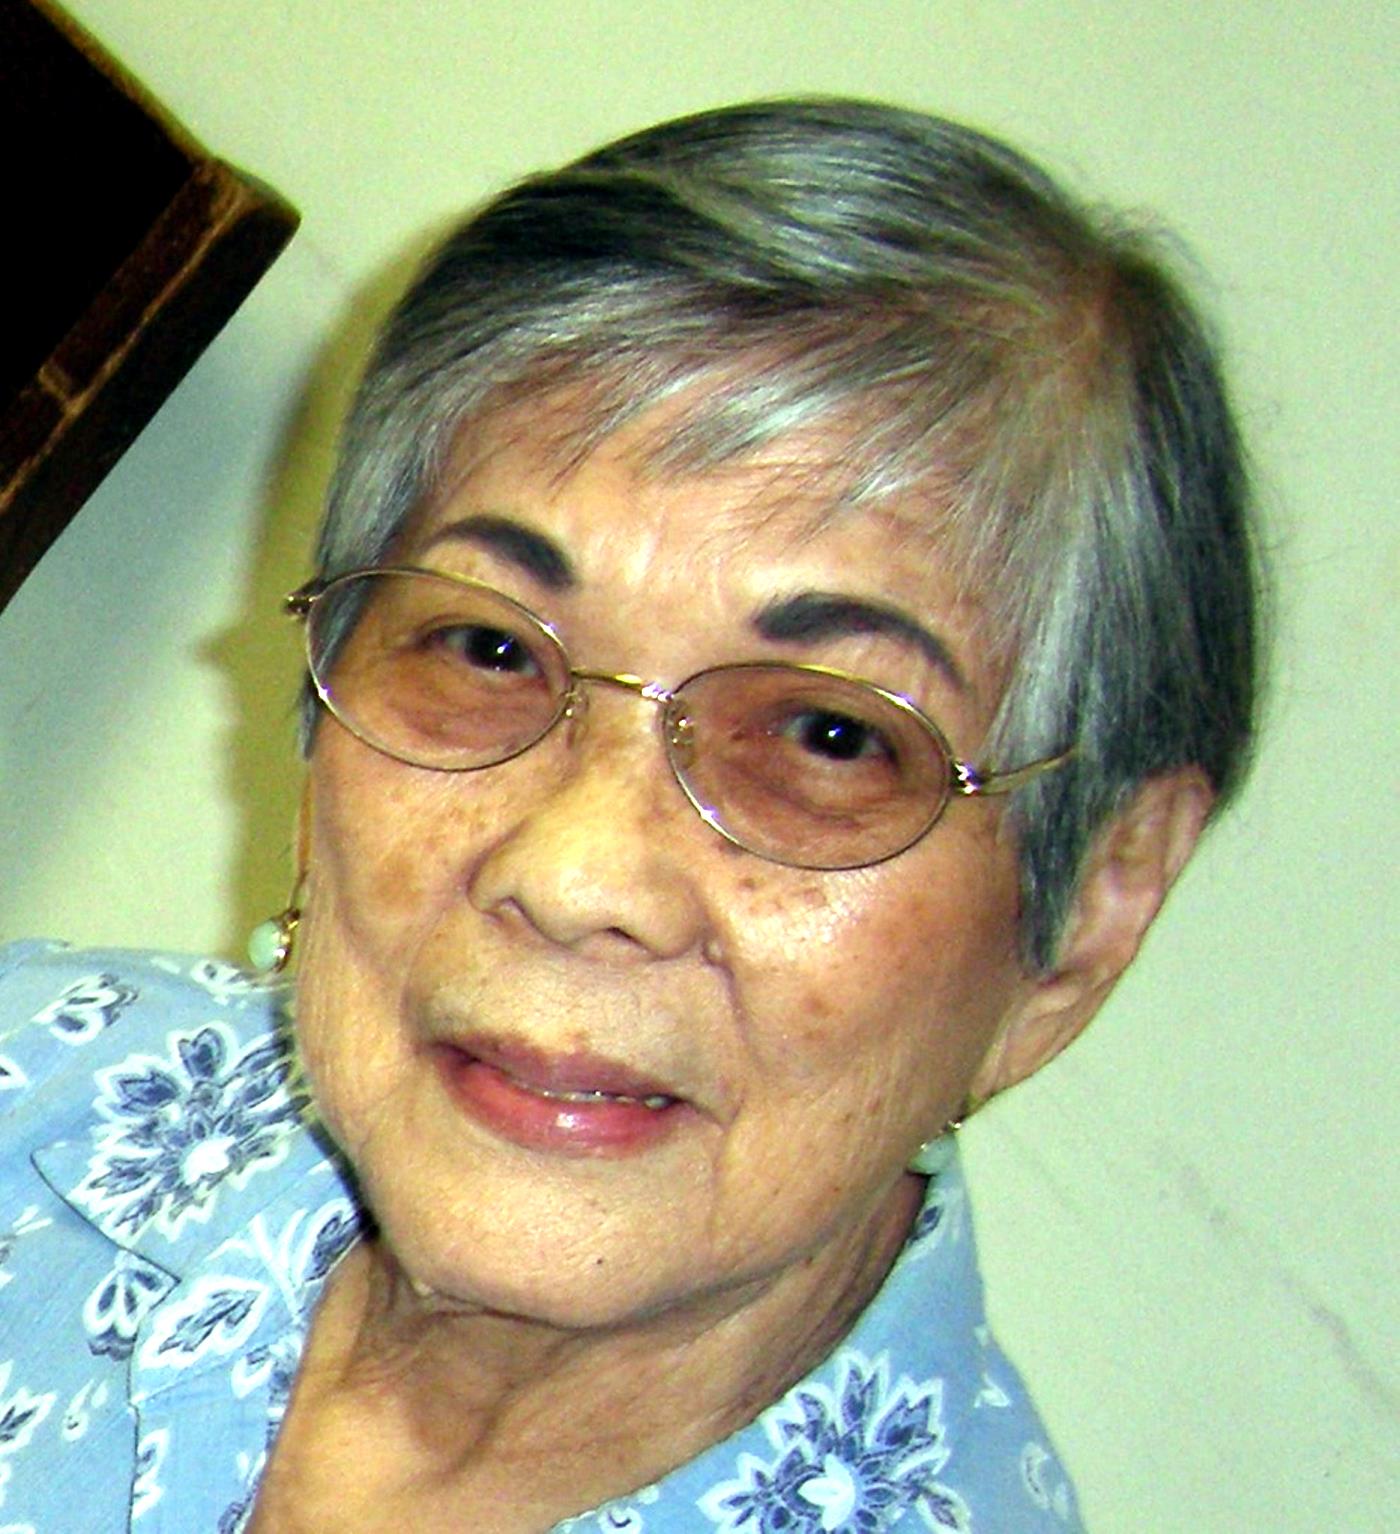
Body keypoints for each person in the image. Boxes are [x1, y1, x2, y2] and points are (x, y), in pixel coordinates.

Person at [0, 97, 1257, 1532]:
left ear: (1087, 913)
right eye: (487, 649)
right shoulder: (37, 1074)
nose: (575, 872)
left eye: (829, 738)